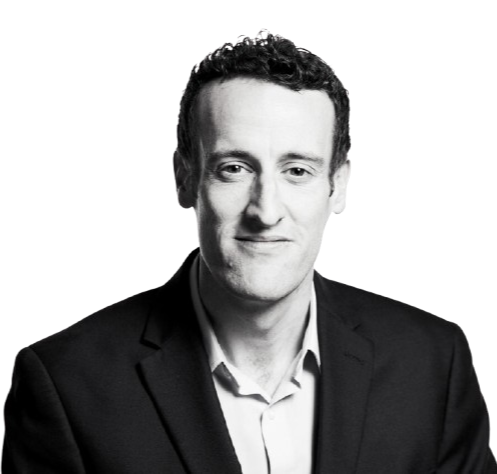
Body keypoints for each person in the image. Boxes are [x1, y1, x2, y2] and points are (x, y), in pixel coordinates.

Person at [2, 30, 495, 474]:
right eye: (234, 169)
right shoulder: (66, 385)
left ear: (339, 186)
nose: (266, 211)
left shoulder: (434, 363)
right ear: (184, 178)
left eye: (297, 171)